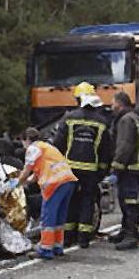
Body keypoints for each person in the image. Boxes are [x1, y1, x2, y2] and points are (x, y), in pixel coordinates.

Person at [52, 82, 113, 248]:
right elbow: (106, 150)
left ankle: (68, 236)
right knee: (88, 200)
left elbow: (58, 144)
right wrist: (103, 171)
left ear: (79, 99)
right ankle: (84, 238)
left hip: (70, 168)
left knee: (70, 200)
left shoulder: (69, 118)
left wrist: (56, 166)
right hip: (91, 170)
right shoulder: (102, 122)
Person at [9, 127, 77, 259]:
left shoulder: (33, 148)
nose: (23, 144)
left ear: (27, 139)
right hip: (68, 181)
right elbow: (36, 173)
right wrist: (27, 182)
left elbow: (26, 170)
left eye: (23, 140)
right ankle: (57, 246)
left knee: (48, 217)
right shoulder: (47, 147)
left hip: (54, 183)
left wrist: (16, 183)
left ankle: (45, 249)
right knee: (59, 216)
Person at [108, 92, 139, 250]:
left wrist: (115, 168)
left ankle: (131, 235)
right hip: (135, 168)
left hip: (129, 169)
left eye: (113, 103)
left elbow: (124, 146)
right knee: (126, 201)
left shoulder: (125, 120)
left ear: (120, 104)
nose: (111, 107)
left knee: (129, 201)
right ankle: (126, 230)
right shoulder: (133, 117)